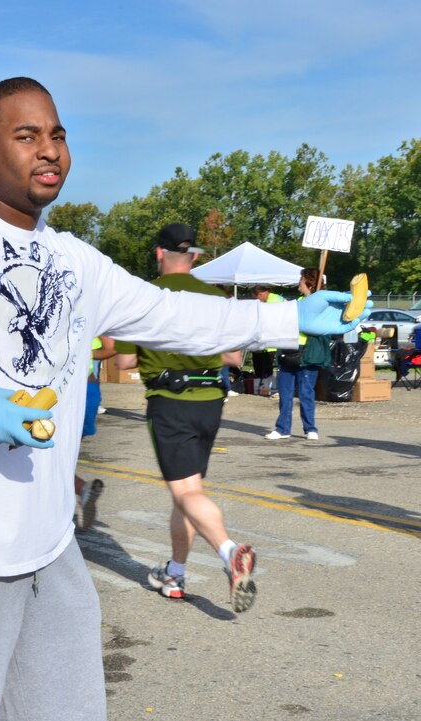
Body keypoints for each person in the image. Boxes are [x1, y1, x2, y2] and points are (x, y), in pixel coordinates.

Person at [0, 77, 368, 721]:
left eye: (57, 134)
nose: (48, 149)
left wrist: (289, 320)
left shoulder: (74, 260)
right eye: (25, 136)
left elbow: (170, 314)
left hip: (49, 550)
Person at [113, 223, 255, 609]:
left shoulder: (142, 298)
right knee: (187, 495)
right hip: (211, 400)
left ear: (159, 254)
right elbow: (234, 357)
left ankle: (230, 552)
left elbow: (124, 360)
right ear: (193, 257)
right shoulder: (215, 297)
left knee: (186, 493)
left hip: (170, 400)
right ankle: (175, 573)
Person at [266, 267, 322, 441]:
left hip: (308, 353)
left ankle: (310, 428)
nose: (298, 283)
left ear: (308, 282)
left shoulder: (320, 303)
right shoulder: (296, 302)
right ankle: (282, 428)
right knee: (285, 392)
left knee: (306, 391)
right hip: (289, 350)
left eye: (301, 279)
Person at [75, 335, 114, 530]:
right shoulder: (93, 310)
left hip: (66, 389)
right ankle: (81, 490)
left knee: (46, 458)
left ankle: (81, 489)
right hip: (88, 389)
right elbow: (113, 348)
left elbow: (112, 348)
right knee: (65, 455)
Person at [251, 285, 284, 396]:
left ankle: (267, 390)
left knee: (267, 368)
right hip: (265, 343)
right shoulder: (273, 299)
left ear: (260, 294)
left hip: (271, 342)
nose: (257, 301)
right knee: (261, 366)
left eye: (257, 298)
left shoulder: (273, 301)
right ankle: (262, 389)